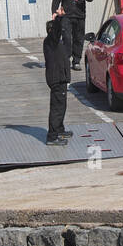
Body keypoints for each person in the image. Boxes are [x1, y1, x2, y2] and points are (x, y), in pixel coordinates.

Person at [51, 0, 93, 70]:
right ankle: (66, 59)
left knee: (79, 39)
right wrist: (54, 11)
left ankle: (76, 61)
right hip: (66, 16)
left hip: (80, 16)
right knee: (66, 38)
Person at [42, 11, 73, 146]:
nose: (59, 32)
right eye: (56, 30)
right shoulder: (51, 41)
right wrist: (59, 18)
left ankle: (59, 129)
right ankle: (52, 136)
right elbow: (56, 30)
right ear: (51, 30)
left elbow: (68, 45)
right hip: (56, 79)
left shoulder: (56, 42)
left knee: (62, 106)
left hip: (61, 79)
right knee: (57, 109)